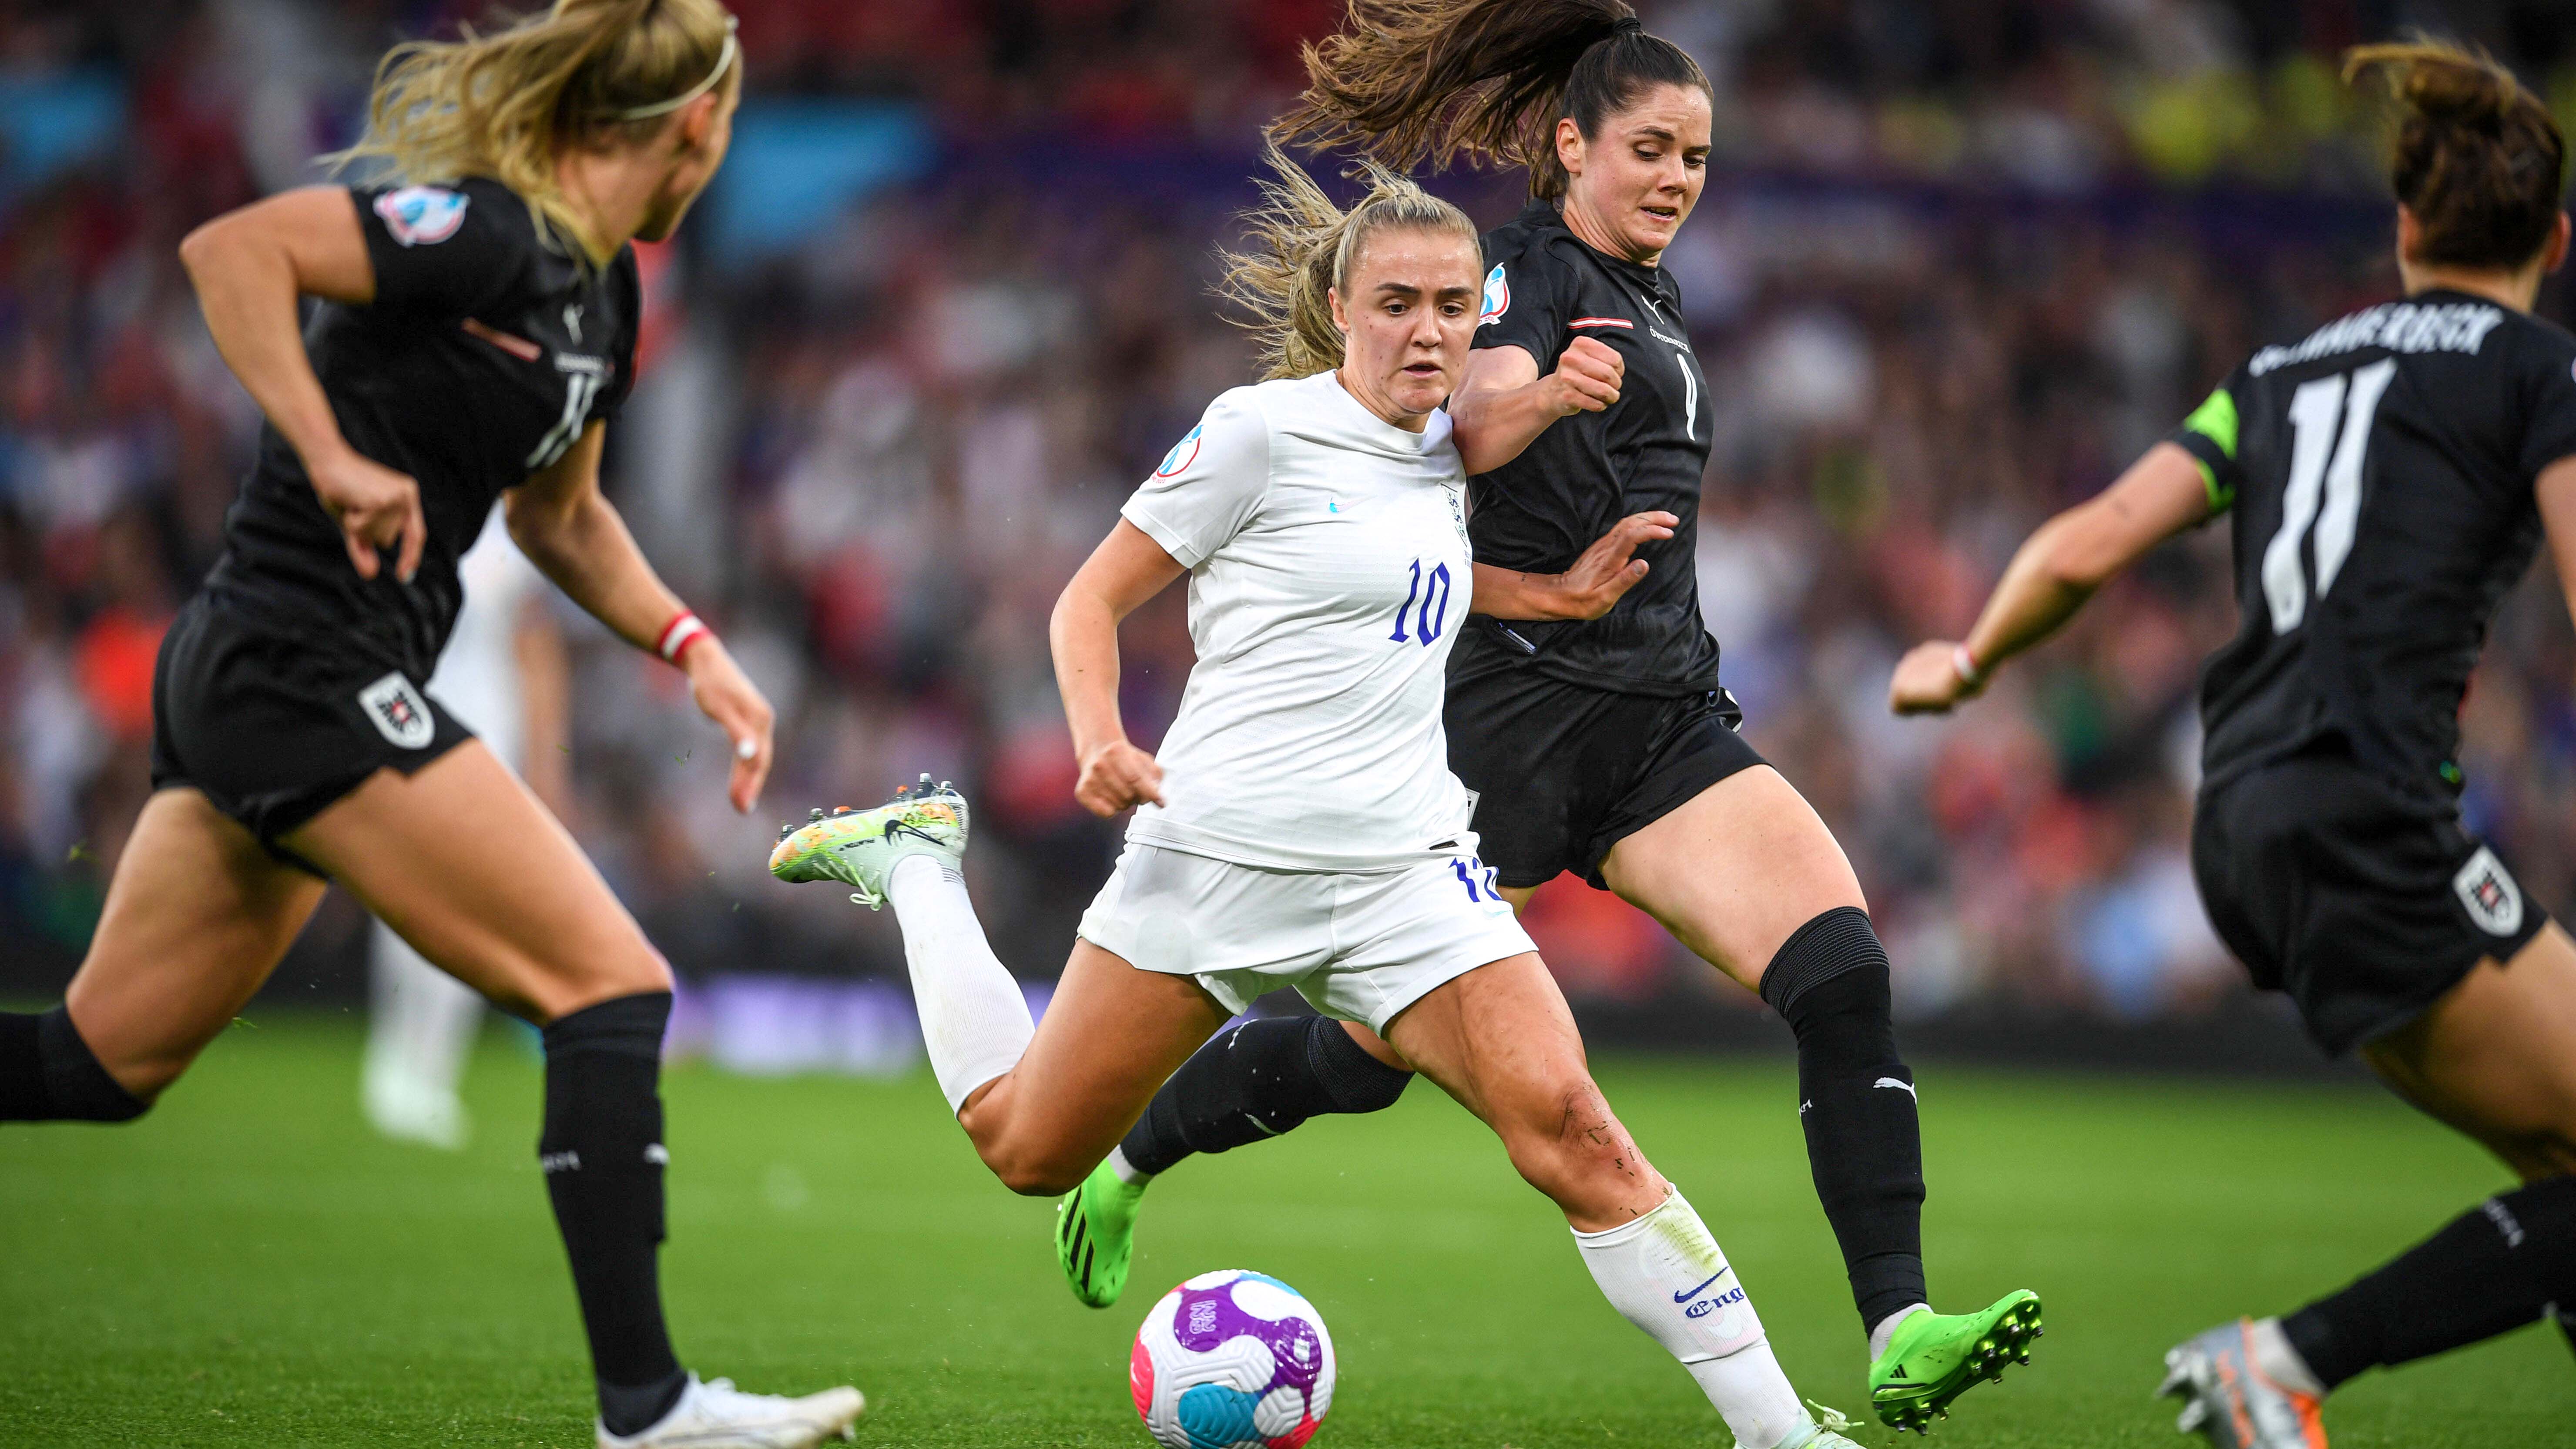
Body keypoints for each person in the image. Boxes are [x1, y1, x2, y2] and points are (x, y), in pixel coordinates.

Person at [772, 151, 1866, 1449]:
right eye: (1399, 302)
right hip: (1220, 858)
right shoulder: (1260, 433)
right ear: (1342, 308)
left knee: (1577, 1131)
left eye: (1456, 305)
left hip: (1410, 872)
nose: (1429, 330)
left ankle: (1782, 1435)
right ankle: (917, 867)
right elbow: (1090, 599)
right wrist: (1096, 738)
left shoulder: (1451, 455)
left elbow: (1411, 584)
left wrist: (1558, 597)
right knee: (1027, 1149)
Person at [1059, 2, 2038, 1432]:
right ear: (1571, 146)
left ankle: (1896, 1323)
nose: (1678, 176)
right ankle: (1129, 1157)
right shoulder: (1523, 278)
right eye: (1650, 148)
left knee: (1840, 971)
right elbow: (1442, 425)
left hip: (1656, 726)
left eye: (1697, 154)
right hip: (1486, 744)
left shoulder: (1650, 294)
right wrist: (1530, 409)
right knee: (1362, 1062)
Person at [0, 3, 863, 1445]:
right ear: (694, 126)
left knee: (98, 1069)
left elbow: (565, 519)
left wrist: (691, 645)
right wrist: (331, 454)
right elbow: (234, 253)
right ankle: (649, 1410)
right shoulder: (479, 232)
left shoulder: (604, 296)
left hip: (290, 679)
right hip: (299, 661)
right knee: (610, 983)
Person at [1886, 40, 2576, 1449]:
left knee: (2561, 1172)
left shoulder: (2278, 371)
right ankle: (2291, 1360)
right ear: (2557, 243)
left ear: (2403, 231)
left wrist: (1972, 657)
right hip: (2371, 821)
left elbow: (2091, 540)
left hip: (2241, 824)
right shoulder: (2542, 369)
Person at [362, 506, 568, 1150]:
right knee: (404, 905)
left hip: (488, 745)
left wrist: (547, 770)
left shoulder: (510, 541)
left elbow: (538, 658)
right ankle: (394, 1060)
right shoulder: (405, 520)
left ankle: (433, 1070)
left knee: (473, 910)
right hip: (411, 737)